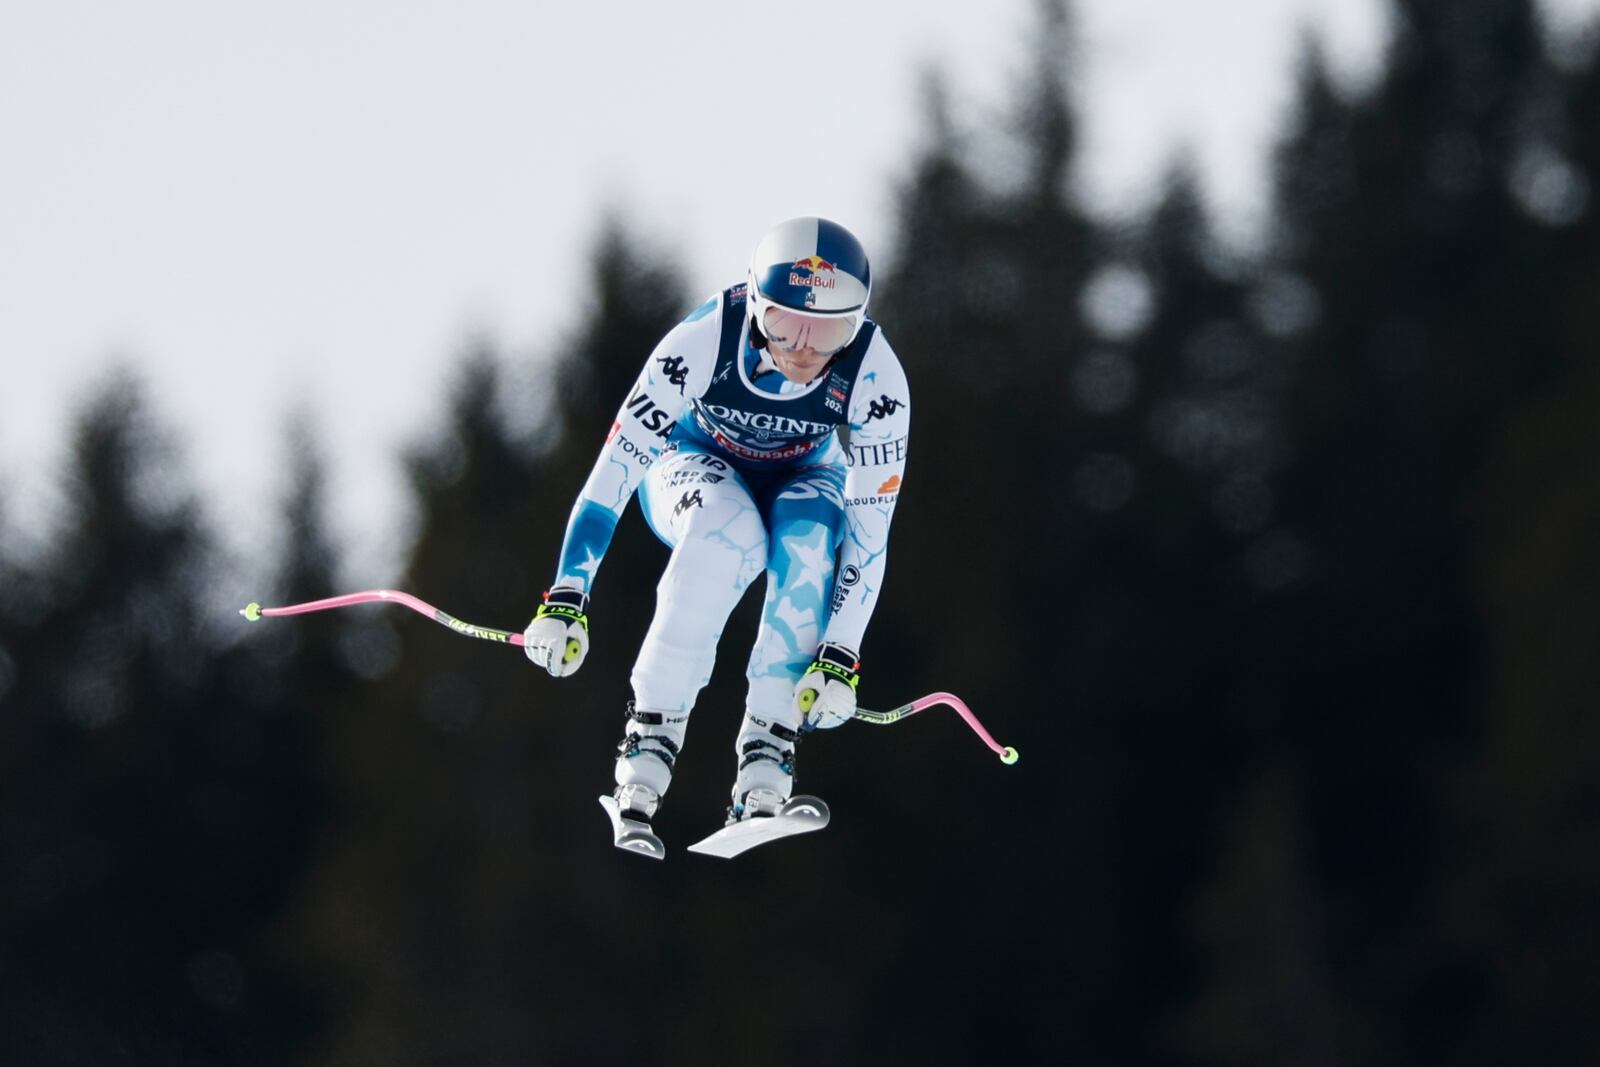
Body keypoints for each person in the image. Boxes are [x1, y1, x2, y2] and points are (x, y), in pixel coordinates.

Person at [522, 216, 911, 857]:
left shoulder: (875, 379)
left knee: (810, 542)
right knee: (726, 534)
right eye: (786, 323)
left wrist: (841, 653)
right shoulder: (703, 341)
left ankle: (769, 748)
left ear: (859, 322)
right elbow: (614, 473)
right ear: (757, 304)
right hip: (695, 464)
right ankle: (650, 737)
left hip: (806, 473)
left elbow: (870, 536)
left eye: (831, 330)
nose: (804, 349)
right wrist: (567, 596)